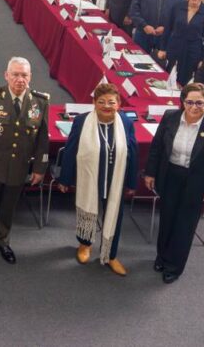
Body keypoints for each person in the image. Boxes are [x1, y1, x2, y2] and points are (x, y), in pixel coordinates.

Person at [0, 57, 50, 264]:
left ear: (30, 77)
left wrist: (39, 168)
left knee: (8, 208)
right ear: (6, 75)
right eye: (15, 74)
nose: (19, 79)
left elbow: (42, 140)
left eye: (24, 75)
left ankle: (3, 240)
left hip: (19, 167)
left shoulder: (40, 102)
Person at [145, 82, 204, 284]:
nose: (194, 107)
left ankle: (174, 266)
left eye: (200, 103)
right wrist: (150, 173)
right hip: (170, 175)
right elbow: (156, 147)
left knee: (185, 225)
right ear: (182, 102)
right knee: (167, 219)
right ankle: (161, 257)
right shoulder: (170, 117)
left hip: (196, 182)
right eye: (190, 102)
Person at [57, 83, 139, 275]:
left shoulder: (126, 123)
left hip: (115, 182)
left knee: (115, 218)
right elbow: (71, 150)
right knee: (88, 211)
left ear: (119, 104)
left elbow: (133, 152)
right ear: (94, 103)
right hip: (91, 179)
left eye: (111, 102)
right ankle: (84, 245)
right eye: (101, 102)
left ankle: (111, 255)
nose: (106, 106)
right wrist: (65, 178)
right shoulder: (82, 121)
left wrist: (131, 182)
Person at [159, 0, 204, 86]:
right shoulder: (177, 7)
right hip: (174, 48)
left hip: (193, 52)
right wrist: (162, 48)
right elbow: (168, 29)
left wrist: (203, 60)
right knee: (168, 76)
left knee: (185, 81)